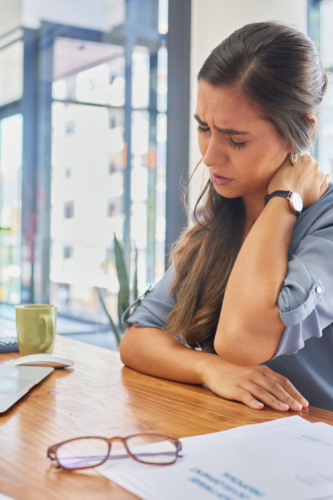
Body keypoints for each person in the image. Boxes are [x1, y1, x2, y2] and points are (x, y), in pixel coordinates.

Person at [120, 21, 333, 412]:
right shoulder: (225, 214)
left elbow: (241, 341)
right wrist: (209, 369)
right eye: (204, 128)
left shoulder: (327, 224)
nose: (210, 156)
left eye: (236, 139)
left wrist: (284, 200)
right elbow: (137, 338)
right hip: (234, 435)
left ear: (300, 130)